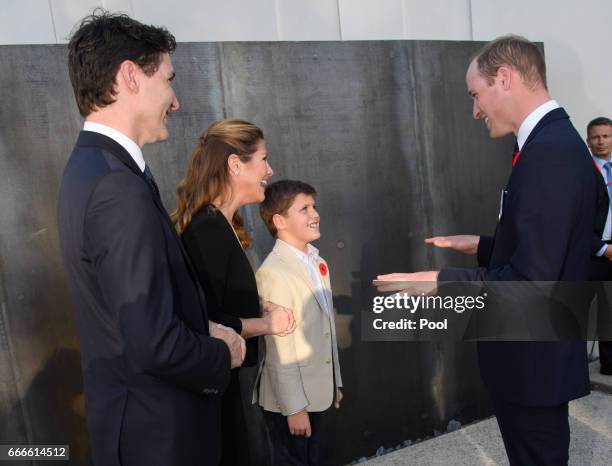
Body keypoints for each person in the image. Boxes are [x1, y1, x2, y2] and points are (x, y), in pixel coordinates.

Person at [376, 35, 605, 465]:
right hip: (538, 358)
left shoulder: (549, 156)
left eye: (475, 95)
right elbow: (561, 247)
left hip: (533, 363)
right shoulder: (552, 145)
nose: (475, 111)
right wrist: (483, 246)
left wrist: (438, 281)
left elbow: (530, 281)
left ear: (504, 79)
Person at [58, 11, 245, 466]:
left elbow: (134, 315)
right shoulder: (114, 187)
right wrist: (222, 352)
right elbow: (152, 342)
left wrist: (203, 328)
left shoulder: (96, 169)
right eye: (167, 79)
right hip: (159, 439)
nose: (176, 101)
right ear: (129, 77)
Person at [172, 119, 295, 465]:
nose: (269, 170)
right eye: (264, 159)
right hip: (213, 393)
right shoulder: (208, 228)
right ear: (235, 164)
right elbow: (208, 321)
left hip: (225, 383)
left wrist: (261, 306)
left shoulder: (222, 225)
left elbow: (220, 298)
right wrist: (269, 324)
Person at [254, 180, 343, 466]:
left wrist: (334, 383)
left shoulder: (318, 262)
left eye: (314, 207)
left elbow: (327, 331)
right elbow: (279, 349)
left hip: (317, 393)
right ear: (279, 221)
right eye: (304, 209)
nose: (314, 214)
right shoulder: (274, 272)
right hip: (292, 403)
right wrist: (294, 409)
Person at [587, 116, 612, 375]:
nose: (601, 141)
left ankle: (610, 365)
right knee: (578, 309)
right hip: (591, 251)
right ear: (588, 141)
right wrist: (603, 249)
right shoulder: (583, 173)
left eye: (606, 136)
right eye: (596, 136)